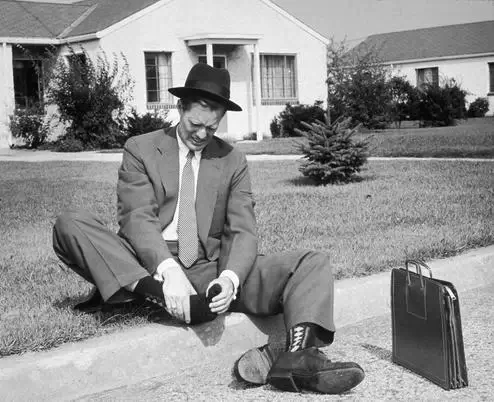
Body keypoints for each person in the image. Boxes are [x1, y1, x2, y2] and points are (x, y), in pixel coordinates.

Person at [52, 63, 364, 394]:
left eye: (211, 128)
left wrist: (229, 280)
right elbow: (137, 217)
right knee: (70, 223)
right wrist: (168, 272)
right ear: (180, 108)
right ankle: (155, 295)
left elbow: (242, 229)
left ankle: (297, 359)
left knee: (311, 263)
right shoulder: (140, 148)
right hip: (147, 263)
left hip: (207, 269)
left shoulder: (233, 160)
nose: (202, 135)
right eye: (195, 125)